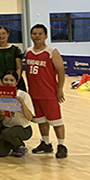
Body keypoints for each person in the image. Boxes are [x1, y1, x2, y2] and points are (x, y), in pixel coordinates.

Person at [25, 24, 68, 158]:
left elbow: (61, 71)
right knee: (41, 120)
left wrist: (60, 90)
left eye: (40, 34)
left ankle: (61, 145)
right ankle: (46, 143)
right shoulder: (28, 51)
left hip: (49, 93)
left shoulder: (51, 51)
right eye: (34, 34)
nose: (37, 36)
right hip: (34, 93)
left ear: (46, 36)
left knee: (56, 120)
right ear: (31, 36)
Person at [0, 71, 34, 157]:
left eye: (12, 80)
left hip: (23, 128)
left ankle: (20, 146)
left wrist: (22, 104)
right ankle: (13, 144)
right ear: (2, 81)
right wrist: (2, 114)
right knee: (0, 152)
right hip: (7, 127)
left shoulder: (24, 95)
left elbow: (29, 117)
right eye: (6, 80)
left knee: (7, 133)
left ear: (16, 82)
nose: (8, 82)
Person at [0, 25, 25, 98]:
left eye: (3, 33)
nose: (1, 36)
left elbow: (19, 68)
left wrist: (14, 82)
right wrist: (2, 85)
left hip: (16, 82)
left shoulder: (15, 49)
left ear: (8, 35)